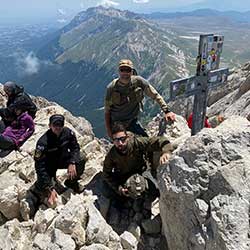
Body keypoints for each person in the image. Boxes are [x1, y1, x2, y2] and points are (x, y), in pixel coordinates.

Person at [20, 114, 85, 220]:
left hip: (63, 160)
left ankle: (72, 183)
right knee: (45, 191)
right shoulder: (43, 142)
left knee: (81, 158)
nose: (58, 127)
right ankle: (39, 195)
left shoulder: (68, 133)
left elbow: (75, 148)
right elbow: (40, 166)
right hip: (48, 166)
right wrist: (49, 188)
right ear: (49, 125)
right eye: (55, 125)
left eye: (60, 124)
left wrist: (72, 162)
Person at [104, 59, 175, 138]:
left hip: (132, 121)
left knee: (146, 143)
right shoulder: (112, 87)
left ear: (132, 71)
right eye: (122, 70)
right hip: (117, 123)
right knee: (123, 146)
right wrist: (109, 130)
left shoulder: (138, 82)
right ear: (119, 71)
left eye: (127, 70)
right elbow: (107, 111)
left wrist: (167, 111)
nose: (125, 73)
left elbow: (155, 95)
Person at [102, 123, 171, 203]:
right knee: (116, 197)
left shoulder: (136, 143)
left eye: (122, 139)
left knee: (155, 190)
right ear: (113, 141)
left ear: (127, 138)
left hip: (142, 171)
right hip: (124, 176)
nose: (120, 143)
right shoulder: (112, 155)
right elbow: (106, 174)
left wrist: (166, 152)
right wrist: (119, 189)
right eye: (116, 140)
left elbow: (160, 140)